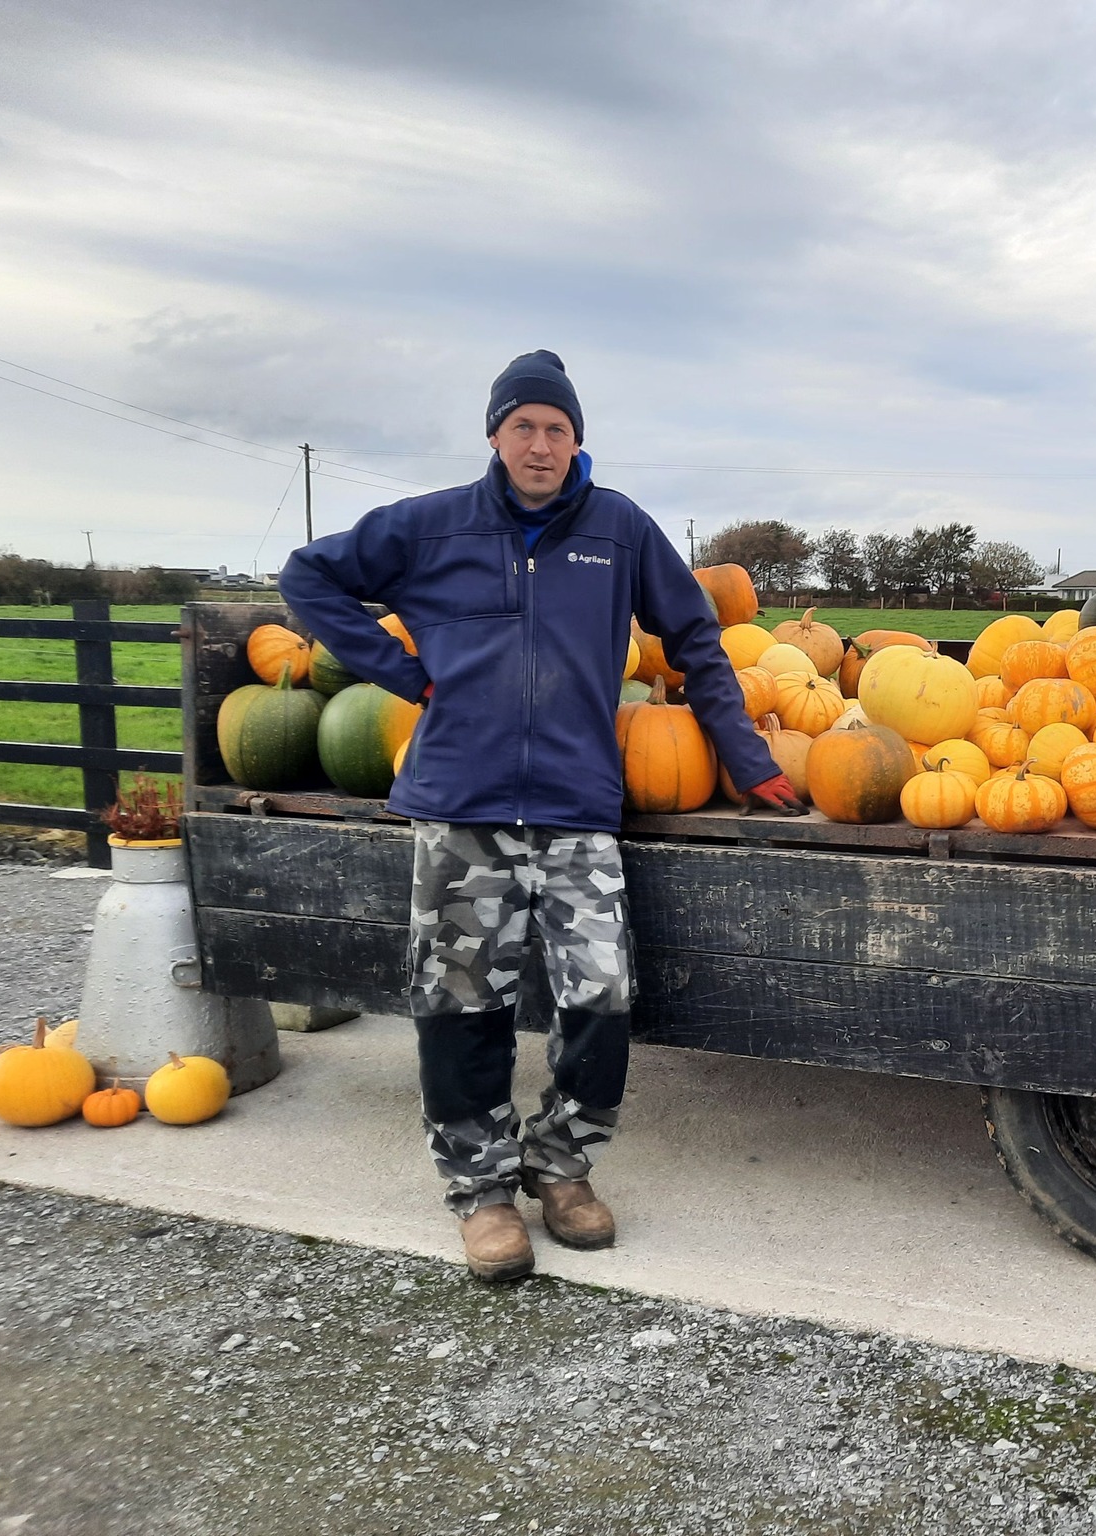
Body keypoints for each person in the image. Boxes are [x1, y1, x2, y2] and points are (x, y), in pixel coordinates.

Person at [281, 350, 804, 1284]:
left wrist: (751, 760)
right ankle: (480, 1192)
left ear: (578, 441)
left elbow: (696, 638)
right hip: (461, 806)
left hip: (575, 807)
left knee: (601, 996)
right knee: (459, 1004)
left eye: (557, 428)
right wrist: (405, 673)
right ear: (495, 433)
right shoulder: (433, 526)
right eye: (523, 425)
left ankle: (560, 1165)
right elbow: (308, 577)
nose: (540, 443)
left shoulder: (619, 529)